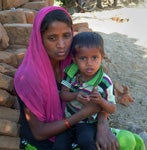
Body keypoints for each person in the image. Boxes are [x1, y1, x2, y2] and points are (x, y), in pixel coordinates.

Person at [14, 6, 119, 150]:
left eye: (66, 35)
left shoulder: (74, 63)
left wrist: (102, 124)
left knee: (130, 141)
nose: (61, 45)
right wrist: (83, 114)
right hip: (45, 142)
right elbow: (39, 133)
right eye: (52, 38)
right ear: (40, 39)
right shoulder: (28, 77)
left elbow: (102, 93)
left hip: (77, 129)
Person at [54, 32, 116, 150]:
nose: (89, 63)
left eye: (94, 57)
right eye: (83, 58)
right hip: (68, 119)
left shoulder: (104, 82)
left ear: (101, 57)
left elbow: (112, 108)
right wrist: (75, 95)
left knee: (86, 141)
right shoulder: (70, 73)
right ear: (74, 59)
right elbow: (63, 95)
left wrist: (101, 101)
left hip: (88, 122)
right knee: (59, 145)